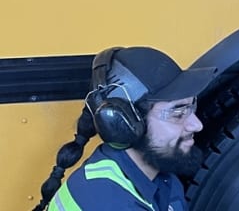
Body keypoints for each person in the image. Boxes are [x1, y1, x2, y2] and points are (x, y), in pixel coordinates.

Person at [33, 47, 217, 211]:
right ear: (124, 124)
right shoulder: (106, 201)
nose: (196, 124)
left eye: (192, 107)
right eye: (178, 113)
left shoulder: (163, 179)